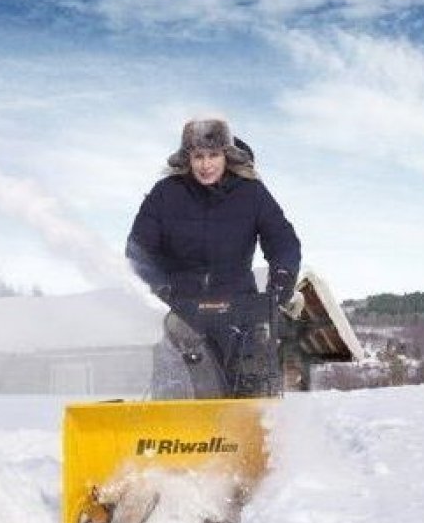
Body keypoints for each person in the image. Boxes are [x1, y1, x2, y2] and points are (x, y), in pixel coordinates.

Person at [125, 117, 302, 397]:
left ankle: (257, 432)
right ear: (187, 158)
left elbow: (283, 241)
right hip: (184, 310)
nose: (206, 165)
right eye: (198, 156)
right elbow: (139, 249)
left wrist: (283, 276)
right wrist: (159, 285)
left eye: (213, 155)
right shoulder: (166, 194)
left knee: (252, 385)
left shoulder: (251, 193)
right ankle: (178, 434)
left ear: (227, 155)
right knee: (181, 385)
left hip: (241, 311)